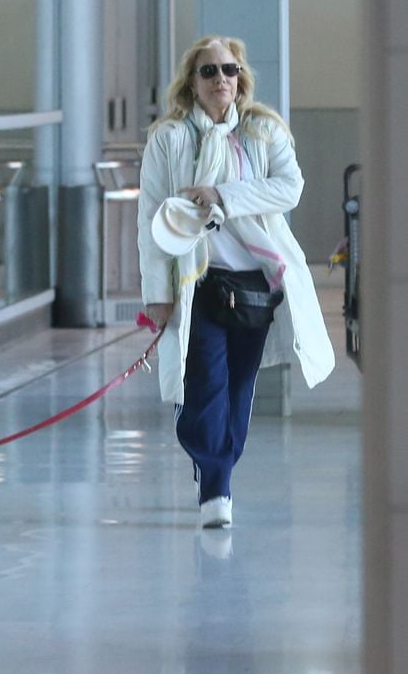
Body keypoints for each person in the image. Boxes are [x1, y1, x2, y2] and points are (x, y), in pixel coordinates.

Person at [137, 34, 334, 529]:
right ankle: (217, 490)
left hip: (255, 285)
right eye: (209, 71)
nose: (220, 79)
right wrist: (157, 295)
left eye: (229, 70)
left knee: (238, 391)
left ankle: (214, 466)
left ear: (240, 78)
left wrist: (222, 195)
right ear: (192, 82)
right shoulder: (169, 138)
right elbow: (150, 219)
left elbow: (289, 188)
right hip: (199, 282)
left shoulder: (263, 132)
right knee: (204, 384)